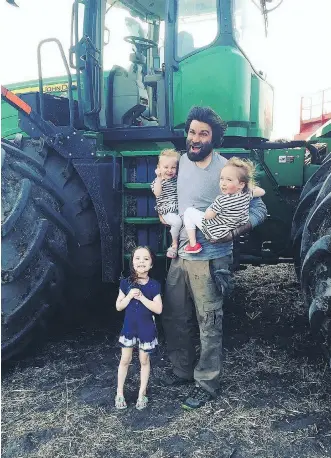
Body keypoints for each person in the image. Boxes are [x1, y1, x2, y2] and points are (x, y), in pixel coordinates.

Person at [161, 106, 267, 410]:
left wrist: (231, 233)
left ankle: (206, 383)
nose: (195, 139)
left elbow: (260, 210)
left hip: (210, 258)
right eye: (192, 132)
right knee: (174, 315)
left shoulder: (227, 170)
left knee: (209, 321)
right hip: (181, 253)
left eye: (203, 134)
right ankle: (182, 371)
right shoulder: (181, 162)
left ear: (214, 138)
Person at [183, 157, 266, 253]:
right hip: (231, 228)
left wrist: (210, 208)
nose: (223, 183)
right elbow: (262, 192)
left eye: (229, 180)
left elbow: (208, 216)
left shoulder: (221, 200)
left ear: (241, 184)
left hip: (214, 233)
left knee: (189, 212)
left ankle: (193, 245)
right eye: (221, 179)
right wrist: (248, 188)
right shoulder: (247, 194)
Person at [115, 246, 163, 410]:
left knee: (144, 360)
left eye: (146, 259)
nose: (141, 261)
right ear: (132, 262)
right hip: (129, 328)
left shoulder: (154, 285)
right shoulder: (125, 283)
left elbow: (158, 309)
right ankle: (119, 392)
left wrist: (142, 297)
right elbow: (119, 307)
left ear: (151, 264)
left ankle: (142, 393)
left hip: (146, 329)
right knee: (125, 360)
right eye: (137, 258)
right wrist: (129, 295)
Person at [151, 149, 182, 258]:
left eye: (173, 167)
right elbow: (157, 193)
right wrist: (159, 178)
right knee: (178, 222)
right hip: (166, 210)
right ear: (159, 168)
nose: (169, 170)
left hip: (178, 209)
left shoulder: (177, 179)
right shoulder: (157, 181)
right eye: (166, 167)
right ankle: (174, 245)